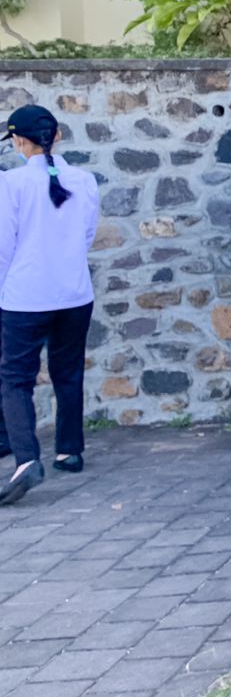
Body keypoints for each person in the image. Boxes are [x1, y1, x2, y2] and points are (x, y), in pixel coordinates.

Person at [0, 106, 100, 506]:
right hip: (75, 292)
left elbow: (4, 246)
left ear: (18, 141)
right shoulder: (85, 179)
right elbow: (88, 235)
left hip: (26, 296)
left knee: (15, 378)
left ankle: (27, 459)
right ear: (56, 136)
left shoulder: (10, 183)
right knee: (68, 369)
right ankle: (69, 450)